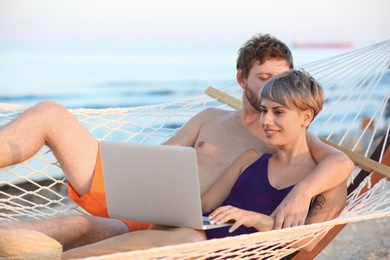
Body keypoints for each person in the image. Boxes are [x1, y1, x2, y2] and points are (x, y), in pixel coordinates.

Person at [0, 34, 354, 252]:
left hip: (177, 224)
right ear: (241, 78)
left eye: (282, 80)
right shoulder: (210, 119)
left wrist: (301, 192)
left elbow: (339, 162)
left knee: (71, 228)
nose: (272, 90)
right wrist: (132, 177)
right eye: (264, 79)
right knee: (49, 113)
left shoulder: (282, 131)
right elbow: (161, 157)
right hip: (140, 195)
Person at [62, 69, 347, 259]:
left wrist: (258, 220)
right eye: (264, 110)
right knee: (181, 234)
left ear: (306, 117)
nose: (267, 121)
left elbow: (307, 243)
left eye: (278, 112)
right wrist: (153, 200)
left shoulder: (327, 180)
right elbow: (201, 206)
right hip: (199, 240)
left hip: (236, 252)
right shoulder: (250, 159)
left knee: (190, 239)